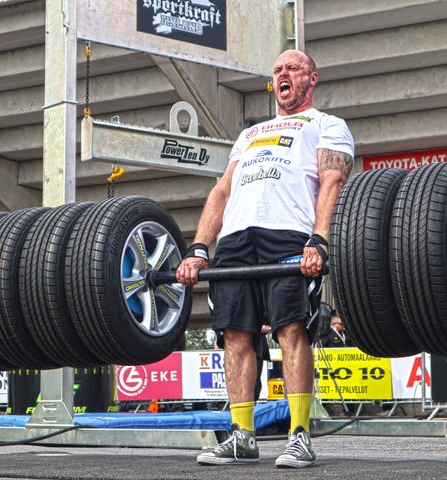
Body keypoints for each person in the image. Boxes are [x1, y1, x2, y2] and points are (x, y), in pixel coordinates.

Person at [176, 49, 354, 468]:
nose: (283, 74)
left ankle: (299, 435)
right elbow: (222, 191)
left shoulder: (327, 125)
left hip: (289, 234)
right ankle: (242, 435)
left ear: (312, 78)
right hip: (237, 239)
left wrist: (319, 240)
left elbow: (332, 181)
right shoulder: (250, 134)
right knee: (234, 336)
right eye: (277, 70)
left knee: (292, 329)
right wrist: (200, 247)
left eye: (293, 68)